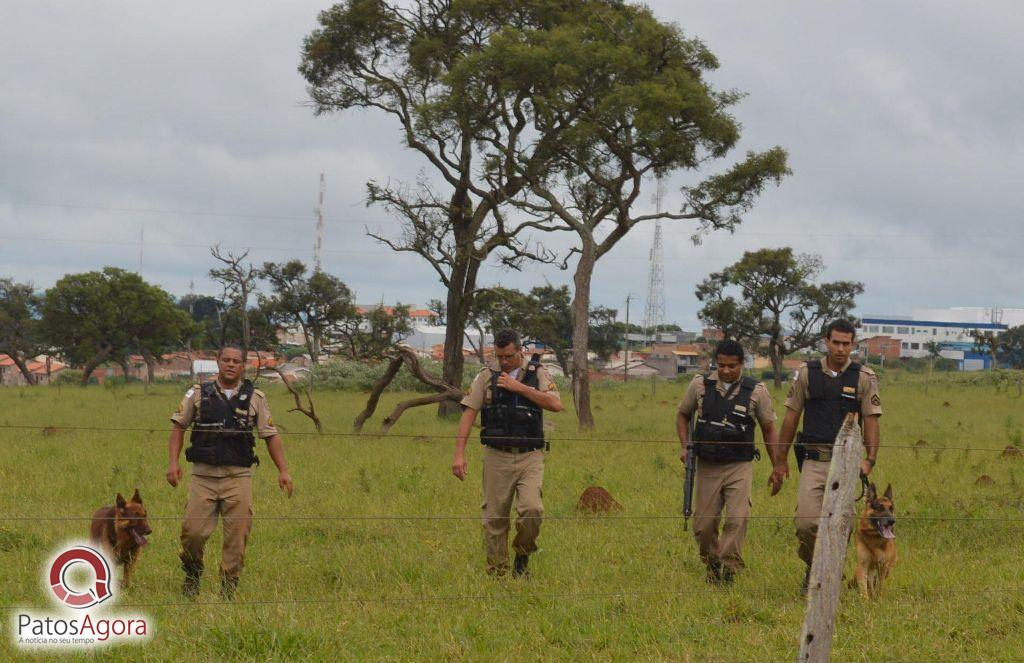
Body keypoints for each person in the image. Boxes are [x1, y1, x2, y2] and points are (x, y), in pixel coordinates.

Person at [166, 344, 294, 598]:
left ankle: (228, 589)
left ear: (243, 364)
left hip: (238, 478)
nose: (231, 364)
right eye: (226, 360)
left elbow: (270, 435)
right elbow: (178, 427)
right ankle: (192, 573)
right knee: (192, 533)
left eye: (236, 360)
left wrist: (283, 471)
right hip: (203, 477)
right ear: (217, 361)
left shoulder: (255, 397)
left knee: (236, 538)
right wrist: (173, 463)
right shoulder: (198, 393)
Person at [770, 318, 882, 590]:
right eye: (836, 343)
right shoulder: (807, 373)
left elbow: (872, 420)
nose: (841, 349)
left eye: (846, 344)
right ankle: (814, 566)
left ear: (853, 345)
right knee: (806, 523)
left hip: (847, 463)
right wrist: (780, 461)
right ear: (826, 342)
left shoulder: (864, 377)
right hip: (814, 459)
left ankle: (827, 578)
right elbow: (790, 419)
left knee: (841, 525)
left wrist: (869, 460)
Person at [451, 329, 562, 577]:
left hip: (530, 455)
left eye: (509, 356)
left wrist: (518, 387)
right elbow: (469, 412)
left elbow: (555, 404)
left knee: (532, 509)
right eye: (499, 356)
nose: (503, 361)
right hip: (496, 455)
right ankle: (498, 572)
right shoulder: (486, 376)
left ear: (520, 351)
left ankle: (522, 556)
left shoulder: (538, 374)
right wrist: (459, 455)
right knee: (495, 518)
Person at [677, 339, 778, 584]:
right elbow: (683, 414)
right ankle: (712, 565)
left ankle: (730, 569)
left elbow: (769, 429)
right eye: (721, 365)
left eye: (732, 366)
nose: (725, 370)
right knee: (703, 526)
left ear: (742, 364)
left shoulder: (757, 391)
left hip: (739, 465)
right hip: (707, 465)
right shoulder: (700, 385)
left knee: (737, 519)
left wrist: (778, 466)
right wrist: (684, 445)